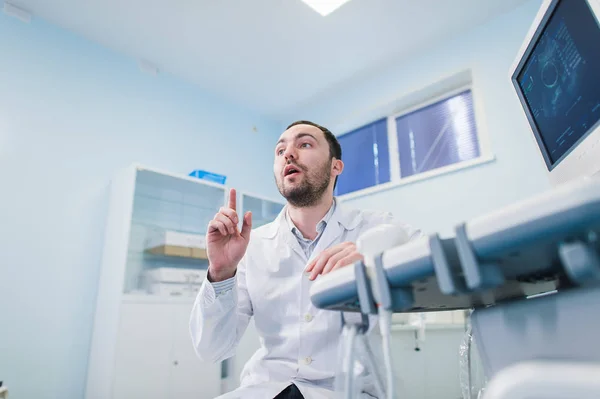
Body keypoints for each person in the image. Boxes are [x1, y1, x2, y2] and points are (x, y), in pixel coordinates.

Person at [189, 120, 421, 399]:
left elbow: (432, 255)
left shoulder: (372, 227)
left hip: (350, 391)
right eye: (280, 150)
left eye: (305, 144)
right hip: (266, 389)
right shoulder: (253, 245)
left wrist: (375, 259)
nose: (288, 154)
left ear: (336, 166)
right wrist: (221, 271)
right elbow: (212, 349)